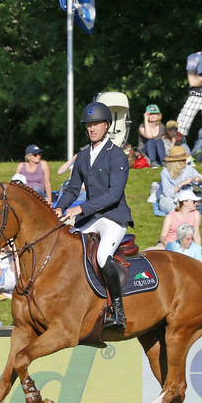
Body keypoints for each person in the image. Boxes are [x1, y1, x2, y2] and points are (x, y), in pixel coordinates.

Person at [54, 101, 133, 329]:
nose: (92, 129)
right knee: (68, 251)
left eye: (96, 124)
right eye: (89, 125)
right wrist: (60, 207)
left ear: (107, 125)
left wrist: (81, 208)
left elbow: (113, 194)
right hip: (92, 218)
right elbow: (71, 189)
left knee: (101, 257)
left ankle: (117, 310)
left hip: (114, 217)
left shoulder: (117, 155)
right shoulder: (82, 156)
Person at [157, 146, 202, 215]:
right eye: (183, 160)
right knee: (166, 204)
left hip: (187, 197)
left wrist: (200, 180)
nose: (185, 161)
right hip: (172, 198)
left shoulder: (189, 169)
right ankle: (181, 212)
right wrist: (181, 184)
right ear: (175, 162)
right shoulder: (165, 173)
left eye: (185, 159)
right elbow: (168, 193)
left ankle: (186, 210)